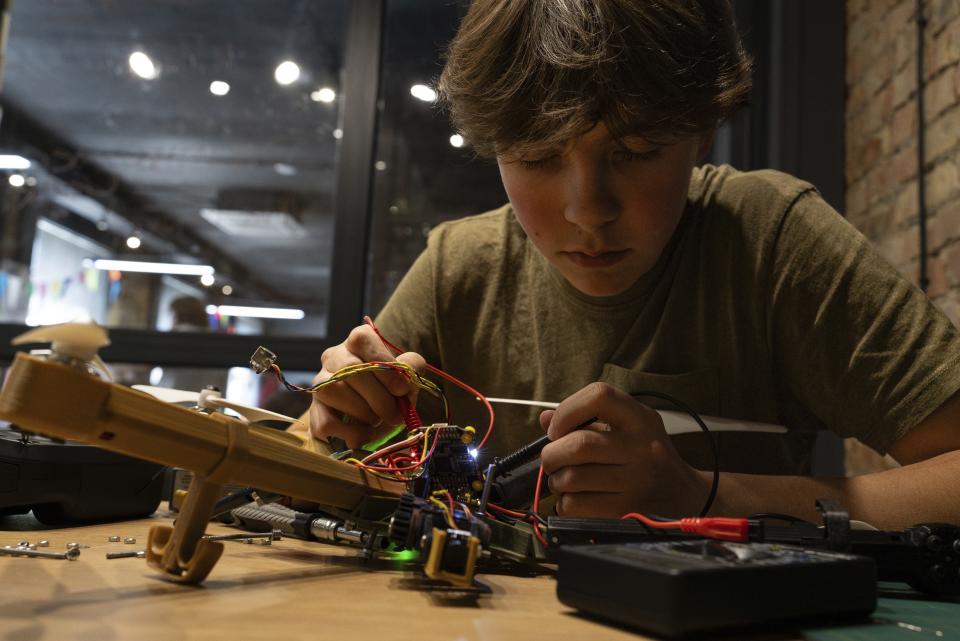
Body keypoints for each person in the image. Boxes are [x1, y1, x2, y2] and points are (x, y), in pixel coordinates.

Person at [306, 0, 960, 530]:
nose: (588, 210)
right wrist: (337, 416)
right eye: (537, 157)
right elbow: (320, 453)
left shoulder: (770, 240)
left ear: (702, 131)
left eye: (637, 149)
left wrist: (701, 493)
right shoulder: (459, 269)